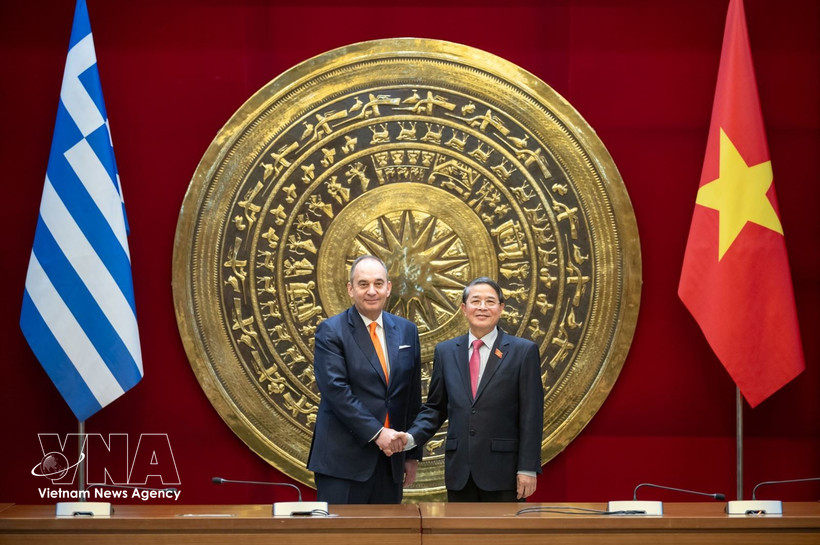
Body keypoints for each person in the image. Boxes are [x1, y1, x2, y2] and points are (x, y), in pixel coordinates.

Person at [405, 277, 543, 502]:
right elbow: (435, 409)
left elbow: (531, 415)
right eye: (475, 301)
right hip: (460, 472)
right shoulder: (446, 352)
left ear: (501, 308)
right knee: (462, 537)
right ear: (463, 308)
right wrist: (410, 439)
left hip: (504, 473)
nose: (482, 307)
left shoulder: (522, 352)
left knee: (503, 538)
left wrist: (527, 468)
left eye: (490, 301)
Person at [307, 255, 422, 503]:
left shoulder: (407, 330)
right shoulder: (331, 331)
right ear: (351, 289)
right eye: (363, 284)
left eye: (378, 284)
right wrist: (378, 434)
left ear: (388, 288)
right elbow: (336, 392)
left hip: (391, 461)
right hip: (343, 463)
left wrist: (411, 454)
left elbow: (412, 394)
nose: (372, 291)